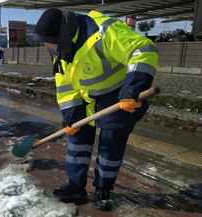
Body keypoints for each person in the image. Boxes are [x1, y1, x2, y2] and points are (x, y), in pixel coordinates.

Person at [34, 9, 158, 210]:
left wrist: (133, 88)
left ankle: (103, 189)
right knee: (76, 140)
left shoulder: (103, 31)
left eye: (50, 41)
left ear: (63, 36)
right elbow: (65, 85)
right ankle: (75, 187)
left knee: (110, 144)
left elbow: (142, 50)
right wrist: (71, 116)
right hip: (86, 98)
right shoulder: (61, 49)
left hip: (118, 96)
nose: (47, 46)